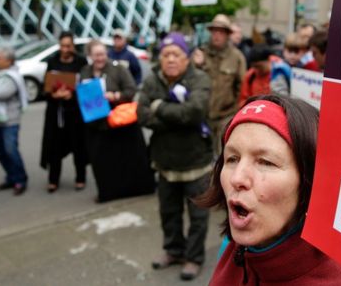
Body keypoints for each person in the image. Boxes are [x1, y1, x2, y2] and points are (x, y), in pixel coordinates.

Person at [199, 95, 341, 285]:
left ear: (311, 182)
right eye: (232, 159)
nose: (237, 178)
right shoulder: (234, 247)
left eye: (265, 162)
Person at [137, 32, 213, 281]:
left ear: (187, 58)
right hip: (165, 163)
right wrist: (175, 116)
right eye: (165, 55)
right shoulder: (152, 81)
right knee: (168, 213)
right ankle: (173, 251)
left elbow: (194, 113)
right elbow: (142, 115)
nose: (170, 59)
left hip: (196, 163)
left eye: (176, 55)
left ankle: (193, 258)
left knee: (198, 216)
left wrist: (159, 108)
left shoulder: (200, 79)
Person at [81, 40, 154, 203]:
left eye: (102, 54)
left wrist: (115, 96)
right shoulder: (85, 71)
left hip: (120, 123)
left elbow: (131, 90)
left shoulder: (118, 68)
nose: (100, 58)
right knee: (103, 162)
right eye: (96, 55)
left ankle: (136, 189)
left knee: (127, 160)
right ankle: (107, 192)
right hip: (97, 124)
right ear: (90, 56)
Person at [40, 31, 89, 193]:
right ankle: (53, 180)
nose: (65, 49)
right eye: (62, 46)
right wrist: (54, 94)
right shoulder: (52, 61)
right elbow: (46, 86)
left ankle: (80, 177)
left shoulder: (81, 61)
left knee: (78, 145)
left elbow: (86, 86)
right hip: (56, 112)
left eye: (68, 46)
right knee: (55, 146)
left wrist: (72, 94)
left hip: (75, 112)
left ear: (73, 46)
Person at [192, 14, 246, 157]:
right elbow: (190, 83)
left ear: (228, 34)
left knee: (223, 156)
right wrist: (196, 65)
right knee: (201, 155)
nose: (217, 35)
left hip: (225, 116)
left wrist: (236, 113)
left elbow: (241, 88)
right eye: (214, 31)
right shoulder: (200, 53)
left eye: (221, 32)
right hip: (202, 116)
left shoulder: (237, 57)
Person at [0, 47, 29, 195]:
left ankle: (20, 179)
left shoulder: (12, 76)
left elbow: (1, 93)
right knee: (0, 150)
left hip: (10, 120)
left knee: (10, 150)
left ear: (9, 61)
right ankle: (11, 176)